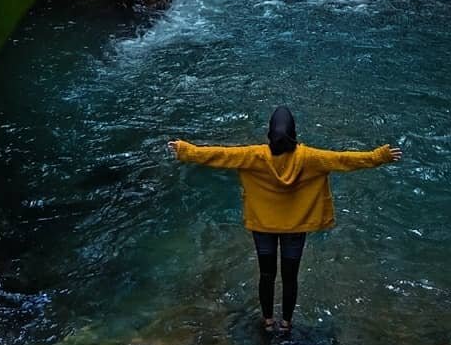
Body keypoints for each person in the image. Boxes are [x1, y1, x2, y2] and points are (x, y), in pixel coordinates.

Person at [169, 106, 402, 333]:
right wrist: (379, 156)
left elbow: (218, 155)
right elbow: (344, 160)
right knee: (290, 278)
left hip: (263, 226)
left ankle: (268, 321)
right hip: (295, 227)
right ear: (294, 132)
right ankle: (286, 323)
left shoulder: (254, 156)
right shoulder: (310, 157)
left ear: (270, 133)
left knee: (266, 275)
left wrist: (185, 150)